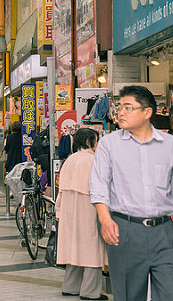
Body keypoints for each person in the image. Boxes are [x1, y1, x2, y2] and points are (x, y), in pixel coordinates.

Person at [90, 85, 173, 301]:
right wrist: (105, 219)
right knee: (128, 295)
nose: (121, 112)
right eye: (119, 107)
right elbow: (99, 185)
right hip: (125, 231)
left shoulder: (171, 146)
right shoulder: (109, 144)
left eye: (128, 108)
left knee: (172, 295)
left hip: (165, 232)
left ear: (147, 112)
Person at [58, 128, 108, 300]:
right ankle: (90, 291)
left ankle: (70, 286)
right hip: (88, 209)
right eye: (96, 140)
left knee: (74, 246)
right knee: (91, 248)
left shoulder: (70, 160)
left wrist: (58, 211)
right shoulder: (92, 160)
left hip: (68, 210)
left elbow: (61, 190)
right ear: (88, 142)